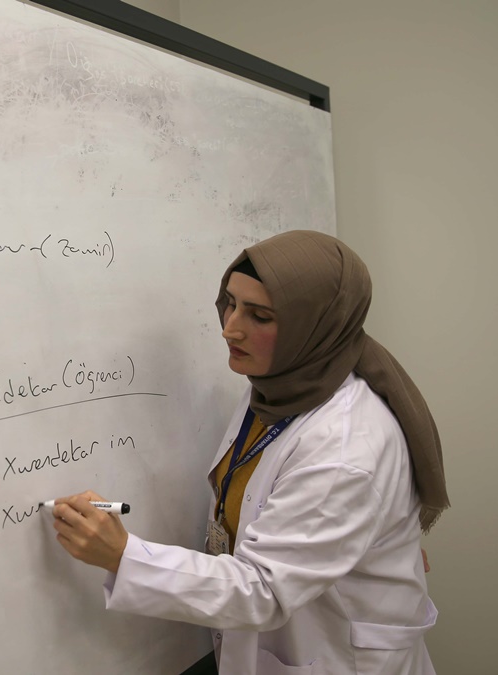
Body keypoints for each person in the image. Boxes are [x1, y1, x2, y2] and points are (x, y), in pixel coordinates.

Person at [49, 230, 449, 675]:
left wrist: (123, 556)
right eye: (231, 303)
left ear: (314, 327)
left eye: (260, 316)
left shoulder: (343, 449)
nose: (230, 328)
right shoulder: (284, 383)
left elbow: (266, 590)